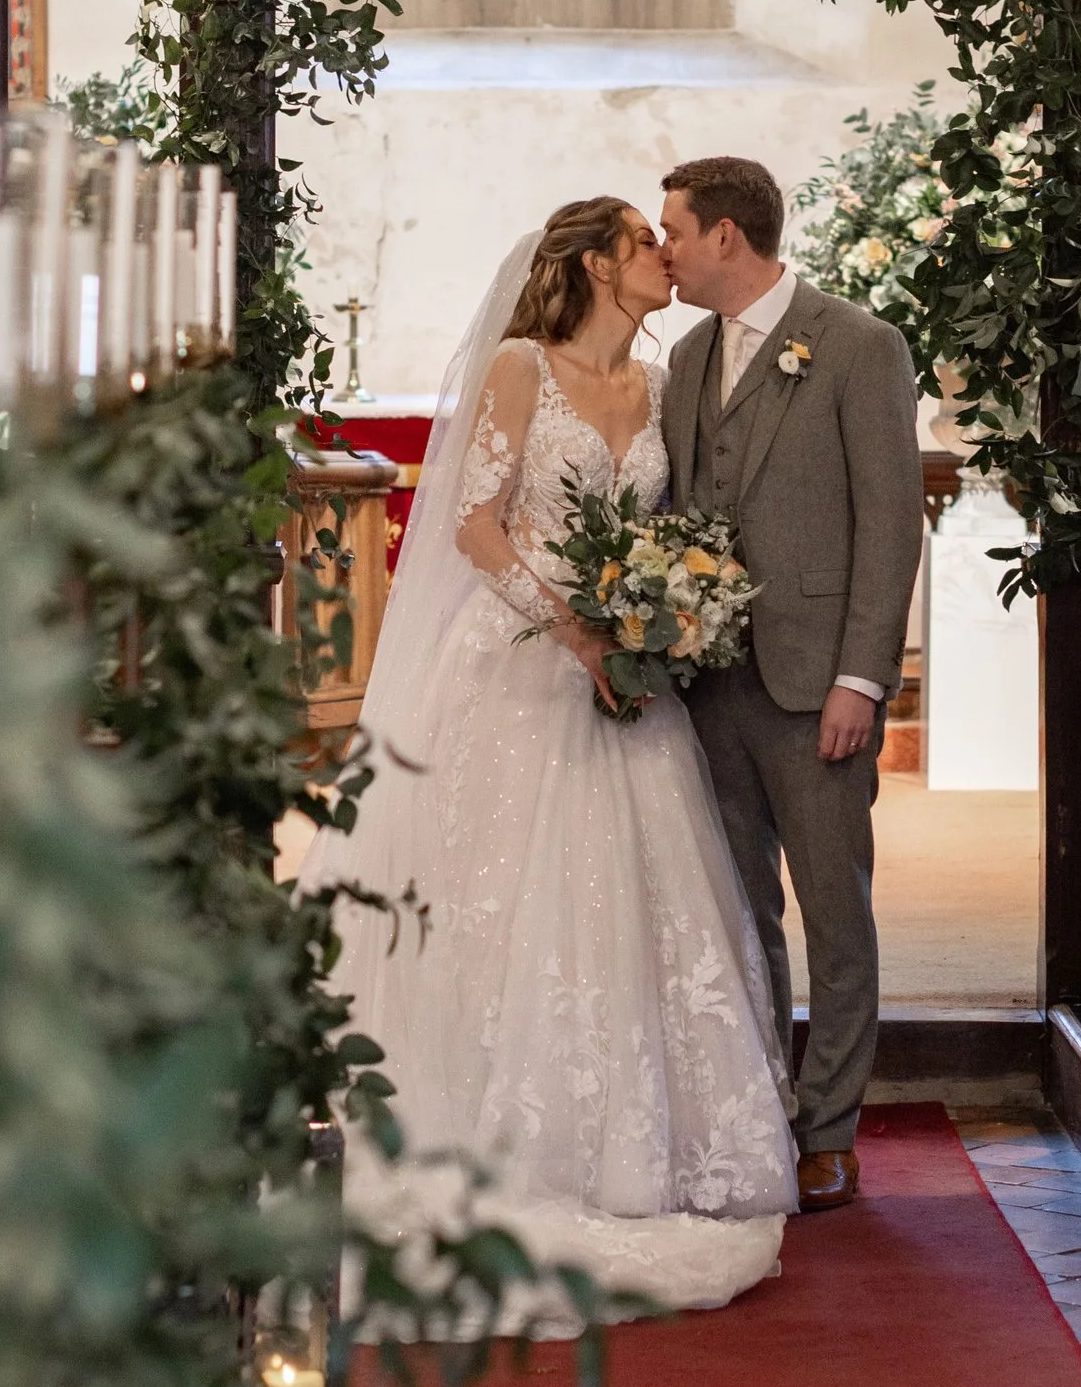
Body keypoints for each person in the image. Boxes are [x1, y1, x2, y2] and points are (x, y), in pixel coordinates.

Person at [307, 195, 797, 1314]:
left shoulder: (659, 385)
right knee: (501, 897)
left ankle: (627, 1152)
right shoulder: (524, 367)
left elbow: (667, 528)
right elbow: (475, 524)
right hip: (520, 670)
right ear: (589, 263)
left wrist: (663, 611)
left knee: (630, 903)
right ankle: (490, 1139)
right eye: (641, 241)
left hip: (626, 682)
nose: (661, 257)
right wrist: (575, 625)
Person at [658, 154, 925, 1215]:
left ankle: (829, 1130)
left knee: (833, 908)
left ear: (727, 235)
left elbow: (890, 522)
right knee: (735, 908)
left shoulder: (859, 345)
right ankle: (758, 1100)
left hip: (819, 684)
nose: (663, 247)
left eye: (674, 228)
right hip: (706, 681)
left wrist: (865, 676)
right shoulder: (684, 358)